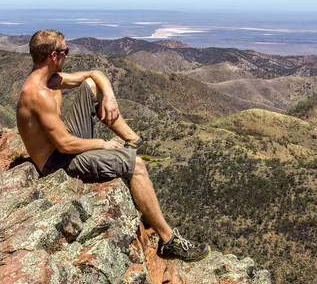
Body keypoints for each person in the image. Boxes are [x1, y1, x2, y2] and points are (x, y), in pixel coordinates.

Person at [16, 29, 210, 263]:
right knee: (136, 165)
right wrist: (104, 144)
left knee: (91, 85)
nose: (68, 55)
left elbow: (93, 74)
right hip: (56, 161)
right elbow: (65, 145)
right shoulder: (38, 94)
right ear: (53, 56)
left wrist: (108, 94)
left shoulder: (50, 80)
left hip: (63, 146)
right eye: (66, 51)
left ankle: (134, 141)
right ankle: (168, 242)